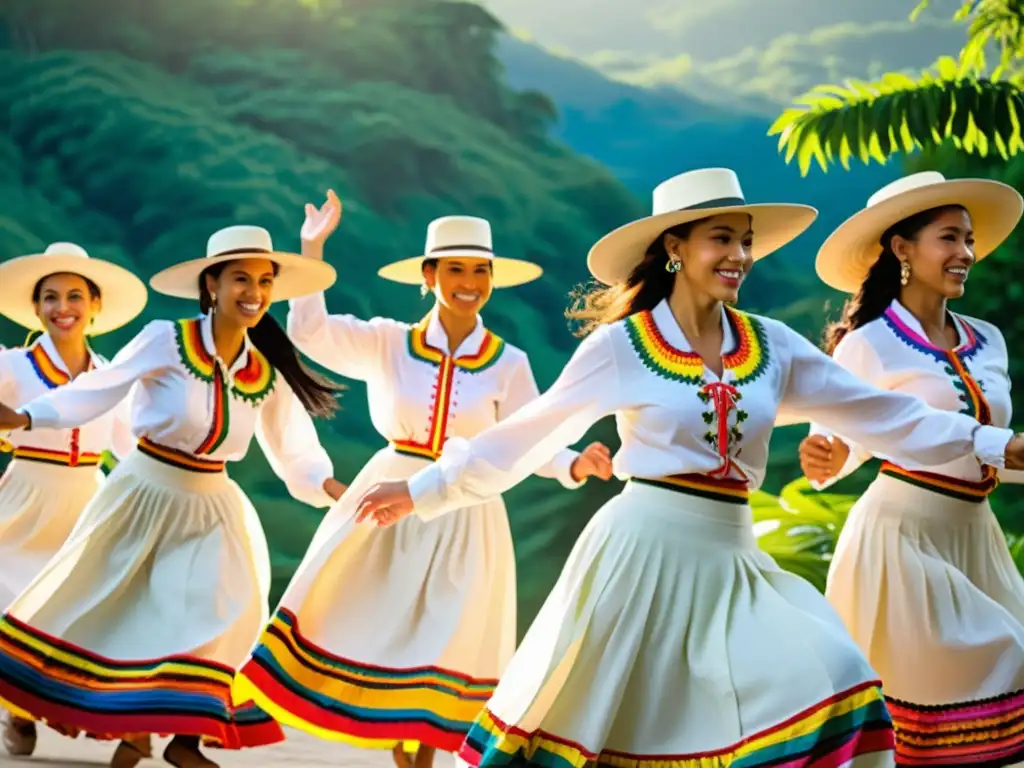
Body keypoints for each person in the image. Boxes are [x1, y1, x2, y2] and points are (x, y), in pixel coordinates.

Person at [353, 167, 1024, 768]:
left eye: (745, 241)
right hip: (642, 556)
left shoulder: (773, 345)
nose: (738, 255)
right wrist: (423, 489)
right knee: (625, 730)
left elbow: (885, 414)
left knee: (836, 674)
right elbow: (528, 433)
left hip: (734, 561)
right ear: (675, 248)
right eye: (721, 239)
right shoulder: (623, 345)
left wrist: (996, 445)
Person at [233, 193, 613, 768]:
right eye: (455, 269)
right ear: (428, 275)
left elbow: (527, 438)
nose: (469, 282)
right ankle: (400, 749)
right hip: (387, 494)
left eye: (480, 270)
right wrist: (312, 247)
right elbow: (310, 331)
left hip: (465, 508)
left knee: (444, 639)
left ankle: (419, 755)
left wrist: (573, 463)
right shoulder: (387, 341)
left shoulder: (508, 361)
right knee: (368, 619)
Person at [0, 225, 346, 768]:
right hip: (146, 492)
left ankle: (184, 738)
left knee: (226, 610)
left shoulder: (264, 369)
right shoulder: (167, 337)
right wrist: (29, 416)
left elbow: (294, 446)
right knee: (133, 609)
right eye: (239, 279)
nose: (253, 291)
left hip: (214, 504)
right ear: (211, 284)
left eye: (263, 282)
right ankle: (133, 728)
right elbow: (99, 390)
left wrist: (327, 486)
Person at [798, 171, 1024, 766]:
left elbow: (998, 449)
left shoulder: (989, 340)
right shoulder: (867, 343)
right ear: (903, 248)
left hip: (977, 539)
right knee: (993, 667)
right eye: (949, 238)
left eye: (969, 239)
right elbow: (842, 444)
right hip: (902, 542)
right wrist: (829, 455)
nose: (967, 254)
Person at [0, 242, 146, 758]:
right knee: (12, 601)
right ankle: (15, 707)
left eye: (75, 296)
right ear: (35, 308)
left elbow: (133, 449)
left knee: (80, 610)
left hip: (89, 502)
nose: (64, 307)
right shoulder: (12, 365)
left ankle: (40, 704)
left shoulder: (112, 377)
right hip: (23, 499)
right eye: (51, 297)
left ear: (95, 305)